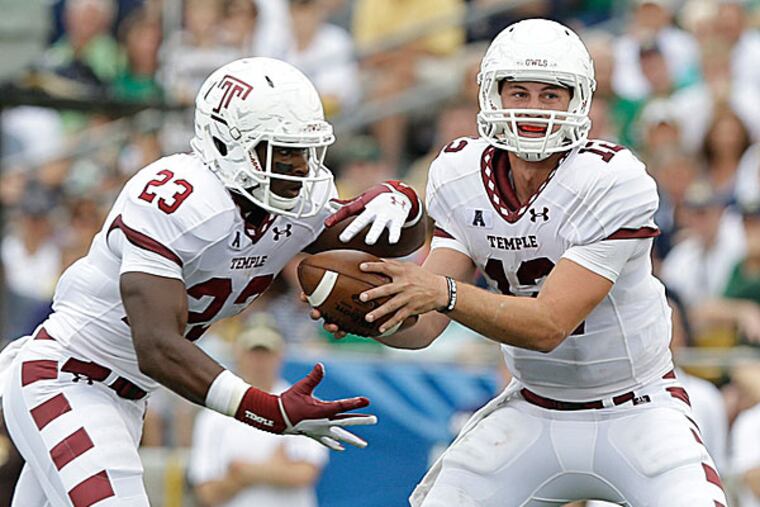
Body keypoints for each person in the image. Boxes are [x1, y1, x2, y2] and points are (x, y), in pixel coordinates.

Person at [317, 19, 728, 505]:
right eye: (520, 92)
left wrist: (441, 295)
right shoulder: (458, 171)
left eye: (551, 95)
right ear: (492, 95)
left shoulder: (612, 179)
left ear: (578, 102)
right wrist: (376, 312)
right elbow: (424, 324)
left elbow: (549, 324)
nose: (534, 110)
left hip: (636, 409)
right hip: (532, 408)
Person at [0, 57, 425, 506]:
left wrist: (403, 203)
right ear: (226, 142)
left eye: (305, 151)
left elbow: (390, 238)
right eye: (282, 150)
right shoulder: (181, 198)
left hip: (124, 398)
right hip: (67, 377)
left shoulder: (290, 204)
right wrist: (269, 409)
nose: (300, 168)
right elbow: (157, 346)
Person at [189, 321, 327, 507]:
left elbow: (306, 474)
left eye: (266, 353)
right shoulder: (213, 415)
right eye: (253, 352)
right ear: (239, 354)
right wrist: (275, 470)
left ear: (280, 355)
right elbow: (206, 494)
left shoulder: (305, 406)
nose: (259, 361)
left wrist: (243, 472)